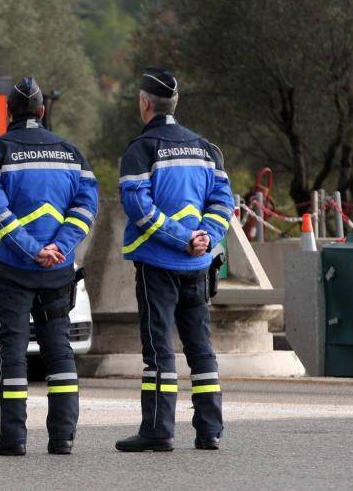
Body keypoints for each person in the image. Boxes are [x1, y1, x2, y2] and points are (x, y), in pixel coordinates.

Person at [0, 77, 98, 456]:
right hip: (58, 270)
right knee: (59, 350)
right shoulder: (71, 152)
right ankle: (63, 437)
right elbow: (86, 207)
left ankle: (13, 438)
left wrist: (31, 250)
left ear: (8, 112)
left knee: (12, 350)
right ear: (42, 112)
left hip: (12, 267)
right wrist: (57, 249)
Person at [114, 68, 234, 453]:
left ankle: (158, 430)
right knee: (201, 347)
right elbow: (223, 203)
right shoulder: (206, 148)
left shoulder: (141, 149)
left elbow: (138, 207)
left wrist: (183, 241)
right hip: (199, 266)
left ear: (145, 103)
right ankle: (210, 430)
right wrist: (205, 239)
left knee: (159, 348)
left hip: (157, 264)